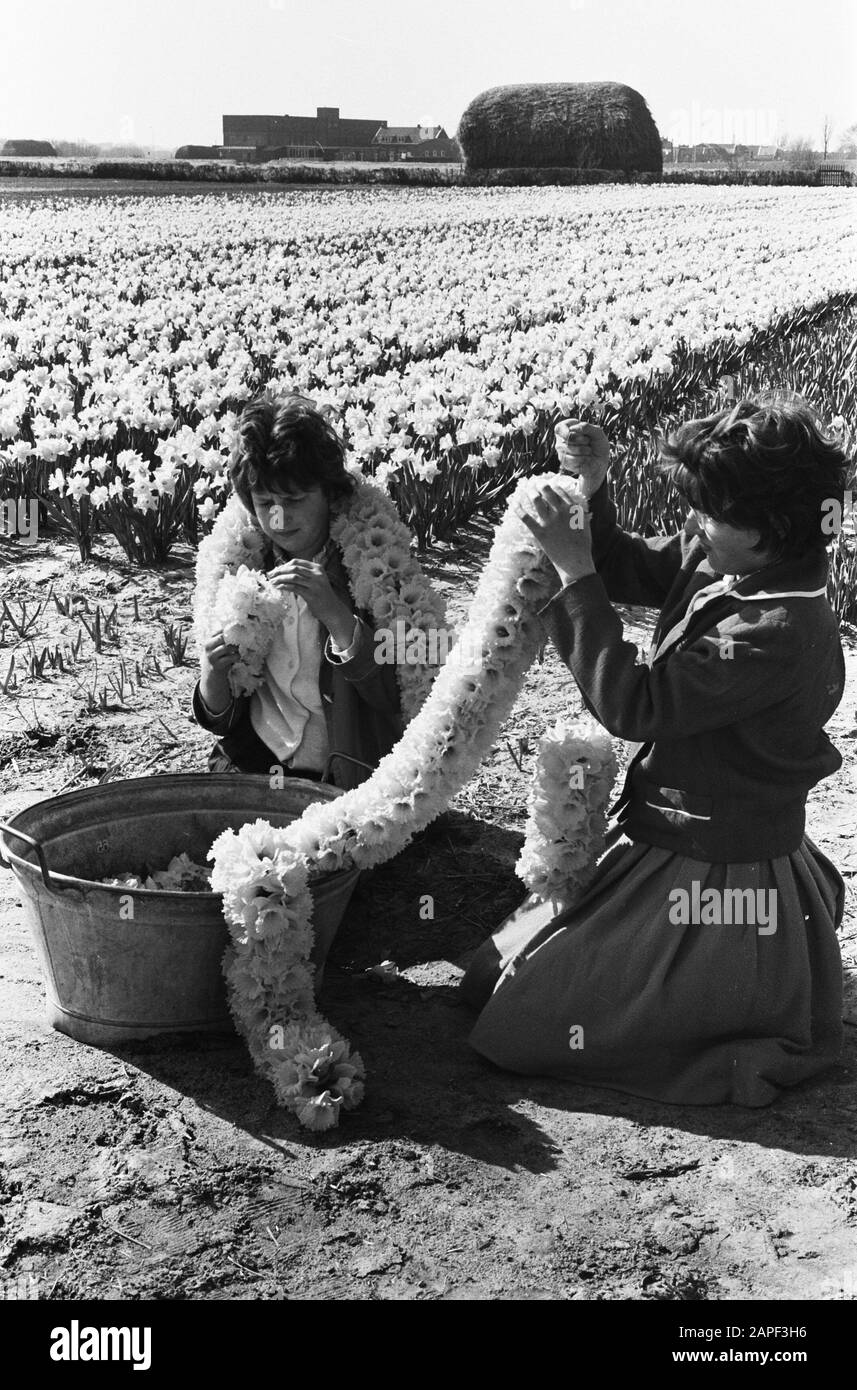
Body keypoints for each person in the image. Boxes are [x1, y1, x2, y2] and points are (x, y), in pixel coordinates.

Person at [462, 396, 850, 1107]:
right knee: (491, 976)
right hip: (670, 829)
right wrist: (592, 487)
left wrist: (575, 576)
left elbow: (633, 706)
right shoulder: (738, 561)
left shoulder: (775, 627)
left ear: (772, 529)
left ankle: (711, 1009)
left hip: (715, 869)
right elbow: (628, 564)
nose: (696, 528)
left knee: (527, 1021)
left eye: (710, 514)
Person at [192, 394, 403, 790]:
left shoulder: (373, 565)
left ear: (329, 493)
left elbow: (397, 694)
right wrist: (215, 672)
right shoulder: (241, 565)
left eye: (295, 499)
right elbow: (219, 716)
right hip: (255, 763)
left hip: (342, 771)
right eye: (265, 502)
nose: (281, 518)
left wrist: (335, 613)